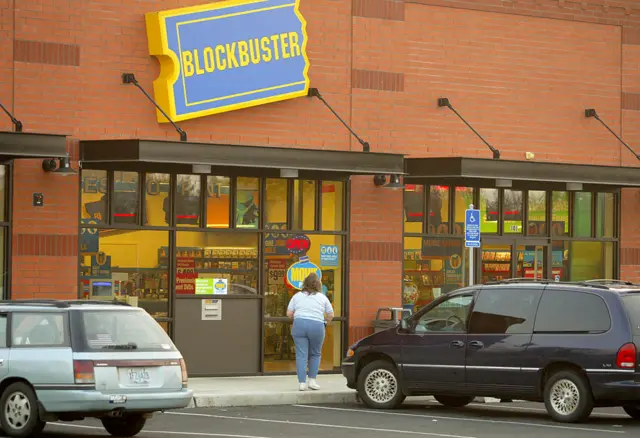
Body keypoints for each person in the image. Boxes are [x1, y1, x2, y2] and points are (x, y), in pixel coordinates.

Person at [286, 272, 334, 391]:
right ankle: (312, 381)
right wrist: (325, 323)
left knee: (301, 355)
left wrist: (296, 319)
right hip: (317, 325)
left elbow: (289, 313)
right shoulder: (322, 297)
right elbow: (330, 314)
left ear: (304, 284)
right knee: (315, 354)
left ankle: (301, 383)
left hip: (299, 324)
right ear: (318, 285)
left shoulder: (297, 296)